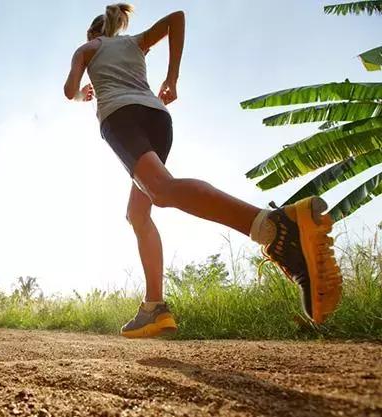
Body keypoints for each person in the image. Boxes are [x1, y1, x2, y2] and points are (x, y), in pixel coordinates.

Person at [64, 4, 342, 338]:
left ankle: (274, 228)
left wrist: (83, 95)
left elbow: (69, 91)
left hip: (119, 118)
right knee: (138, 213)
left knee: (161, 190)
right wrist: (171, 78)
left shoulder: (87, 49)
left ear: (93, 33)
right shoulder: (134, 42)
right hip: (157, 117)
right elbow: (176, 19)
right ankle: (154, 307)